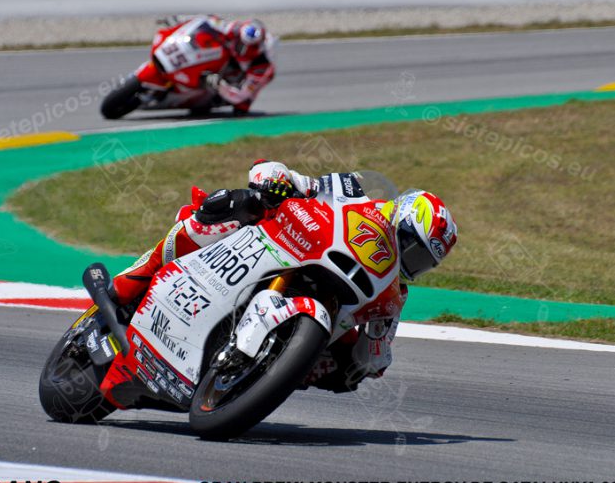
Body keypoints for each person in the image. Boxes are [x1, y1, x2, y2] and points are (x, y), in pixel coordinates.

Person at [111, 160, 458, 393]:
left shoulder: (394, 294)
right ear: (400, 217)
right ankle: (136, 277)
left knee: (346, 372)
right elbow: (282, 174)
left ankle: (260, 378)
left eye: (423, 262)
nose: (412, 262)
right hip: (282, 245)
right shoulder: (351, 195)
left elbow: (376, 356)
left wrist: (370, 360)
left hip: (325, 304)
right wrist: (275, 182)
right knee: (235, 204)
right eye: (413, 248)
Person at [159, 15, 276, 114]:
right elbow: (208, 20)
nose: (242, 49)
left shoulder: (261, 65)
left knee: (240, 105)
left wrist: (219, 85)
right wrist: (181, 20)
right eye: (241, 43)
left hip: (237, 89)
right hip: (226, 64)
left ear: (258, 46)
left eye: (247, 47)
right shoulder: (234, 29)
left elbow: (241, 95)